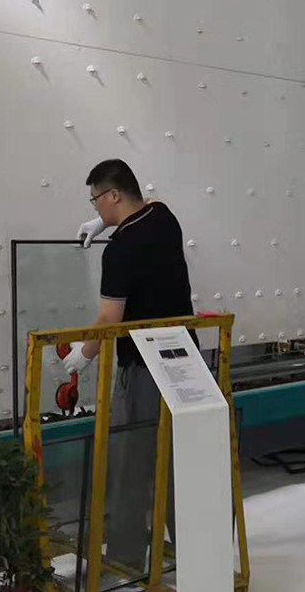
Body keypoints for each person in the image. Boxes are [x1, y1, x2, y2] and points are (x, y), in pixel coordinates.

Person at [63, 159, 197, 569]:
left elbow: (109, 318)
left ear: (114, 195)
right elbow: (150, 201)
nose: (95, 208)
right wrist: (102, 221)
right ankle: (195, 550)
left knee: (130, 462)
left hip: (143, 370)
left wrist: (82, 356)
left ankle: (125, 557)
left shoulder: (120, 249)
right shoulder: (165, 219)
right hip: (187, 363)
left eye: (96, 200)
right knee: (179, 460)